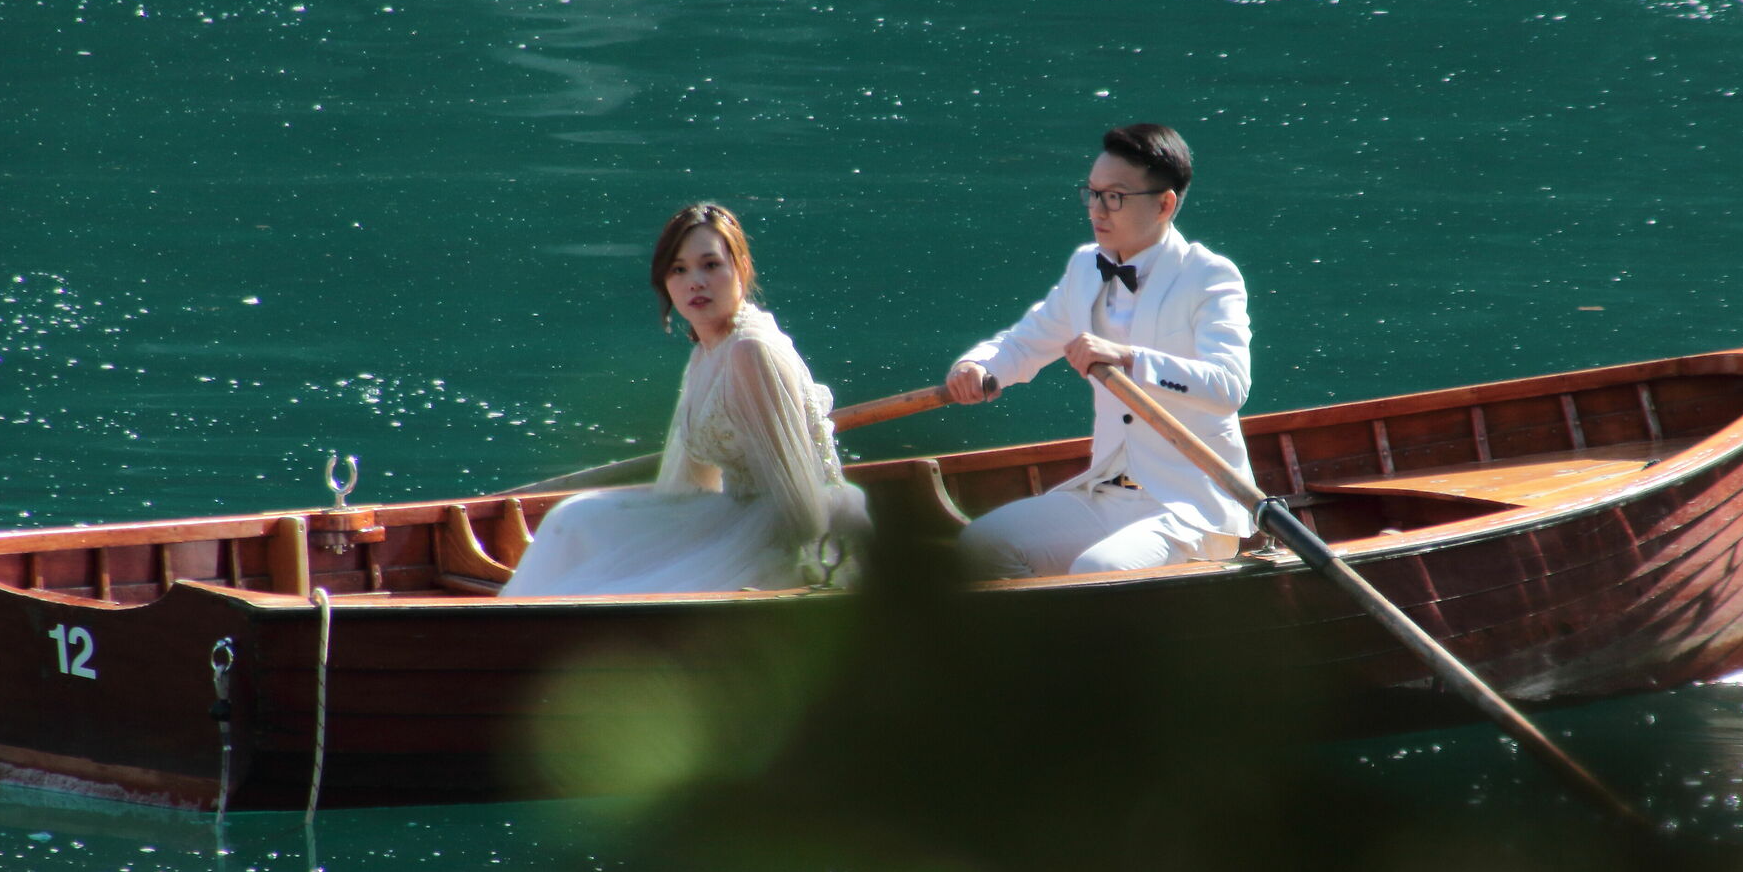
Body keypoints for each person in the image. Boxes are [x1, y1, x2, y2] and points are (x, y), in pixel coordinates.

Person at [501, 203, 865, 598]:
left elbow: (802, 513)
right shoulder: (706, 351)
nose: (695, 282)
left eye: (711, 265)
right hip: (735, 513)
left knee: (612, 569)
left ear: (740, 267)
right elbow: (689, 484)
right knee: (575, 519)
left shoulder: (751, 352)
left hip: (783, 532)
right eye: (679, 269)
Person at [943, 123, 1253, 577]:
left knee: (1098, 570)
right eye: (1092, 193)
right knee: (978, 547)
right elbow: (1024, 343)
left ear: (1165, 203)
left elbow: (1229, 385)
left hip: (1188, 504)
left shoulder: (1208, 275)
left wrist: (1129, 359)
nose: (1097, 209)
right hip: (1107, 490)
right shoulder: (1086, 266)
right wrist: (978, 366)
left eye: (1116, 197)